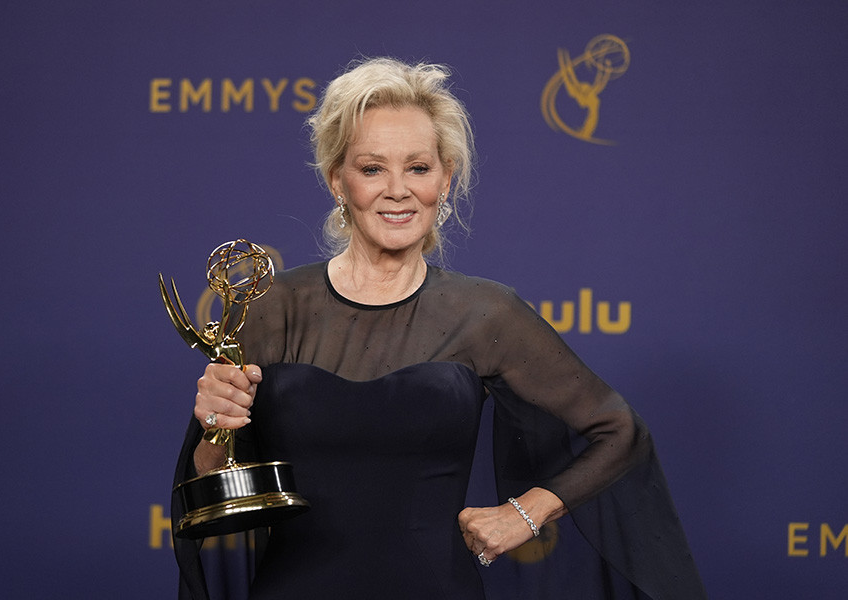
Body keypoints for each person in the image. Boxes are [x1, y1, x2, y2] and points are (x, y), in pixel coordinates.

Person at [173, 57, 706, 599]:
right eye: (373, 168)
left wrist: (528, 511)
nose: (398, 190)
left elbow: (619, 431)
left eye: (419, 168)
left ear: (445, 179)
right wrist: (216, 426)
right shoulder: (271, 305)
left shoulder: (485, 313)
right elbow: (207, 492)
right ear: (338, 181)